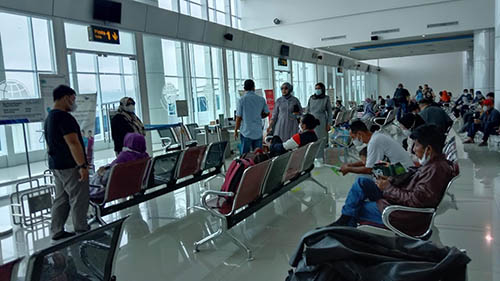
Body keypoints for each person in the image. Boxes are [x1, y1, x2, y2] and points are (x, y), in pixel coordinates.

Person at [329, 125, 456, 236]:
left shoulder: (435, 170)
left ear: (428, 149)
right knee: (362, 182)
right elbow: (415, 176)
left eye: (416, 145)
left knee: (356, 207)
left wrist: (388, 188)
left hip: (403, 215)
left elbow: (415, 200)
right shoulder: (434, 164)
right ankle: (346, 221)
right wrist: (391, 175)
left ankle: (346, 225)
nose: (413, 149)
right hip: (400, 196)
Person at [44, 85, 89, 240]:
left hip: (57, 165)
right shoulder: (64, 117)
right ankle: (82, 229)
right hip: (70, 166)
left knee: (61, 198)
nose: (73, 102)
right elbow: (73, 143)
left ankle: (56, 230)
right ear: (65, 97)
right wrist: (82, 165)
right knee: (79, 197)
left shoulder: (50, 117)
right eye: (73, 98)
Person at [339, 120, 413, 176]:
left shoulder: (374, 142)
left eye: (353, 138)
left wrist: (349, 169)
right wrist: (351, 165)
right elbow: (370, 161)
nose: (353, 141)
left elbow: (369, 169)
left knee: (363, 179)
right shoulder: (377, 136)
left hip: (403, 172)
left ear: (359, 134)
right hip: (404, 169)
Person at [90, 133, 149, 198]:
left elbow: (108, 178)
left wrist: (100, 174)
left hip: (115, 189)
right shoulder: (145, 157)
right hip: (134, 186)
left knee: (98, 174)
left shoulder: (124, 157)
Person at [235, 79, 270, 154]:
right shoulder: (261, 99)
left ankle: (246, 166)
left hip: (246, 132)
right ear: (254, 88)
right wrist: (259, 116)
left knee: (245, 156)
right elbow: (267, 113)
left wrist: (236, 130)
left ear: (244, 89)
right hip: (258, 132)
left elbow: (239, 117)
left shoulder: (241, 100)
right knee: (257, 155)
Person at [306, 82, 332, 155]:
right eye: (316, 88)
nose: (317, 90)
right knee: (311, 139)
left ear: (322, 89)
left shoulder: (326, 98)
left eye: (319, 88)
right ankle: (312, 157)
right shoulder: (311, 98)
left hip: (321, 122)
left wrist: (329, 124)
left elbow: (329, 112)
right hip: (311, 121)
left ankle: (321, 156)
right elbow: (307, 110)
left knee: (321, 139)